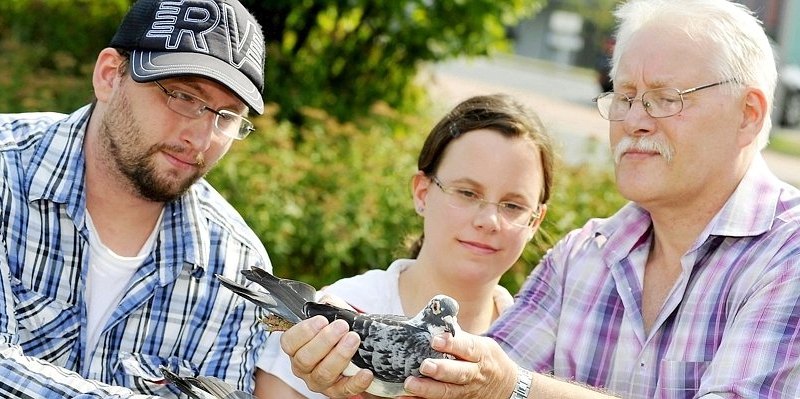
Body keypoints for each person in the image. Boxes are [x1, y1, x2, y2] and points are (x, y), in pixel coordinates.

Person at [278, 0, 800, 398]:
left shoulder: (788, 255)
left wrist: (516, 388)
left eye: (665, 99)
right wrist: (354, 362)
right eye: (624, 97)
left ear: (748, 114)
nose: (635, 121)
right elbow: (466, 383)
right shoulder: (582, 256)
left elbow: (503, 383)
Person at [0, 0, 272, 397]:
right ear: (110, 76)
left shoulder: (237, 269)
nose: (201, 139)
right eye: (182, 96)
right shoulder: (6, 170)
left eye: (226, 116)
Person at [253, 94, 555, 399]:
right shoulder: (329, 323)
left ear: (535, 221)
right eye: (466, 192)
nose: (488, 221)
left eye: (513, 205)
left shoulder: (544, 357)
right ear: (422, 193)